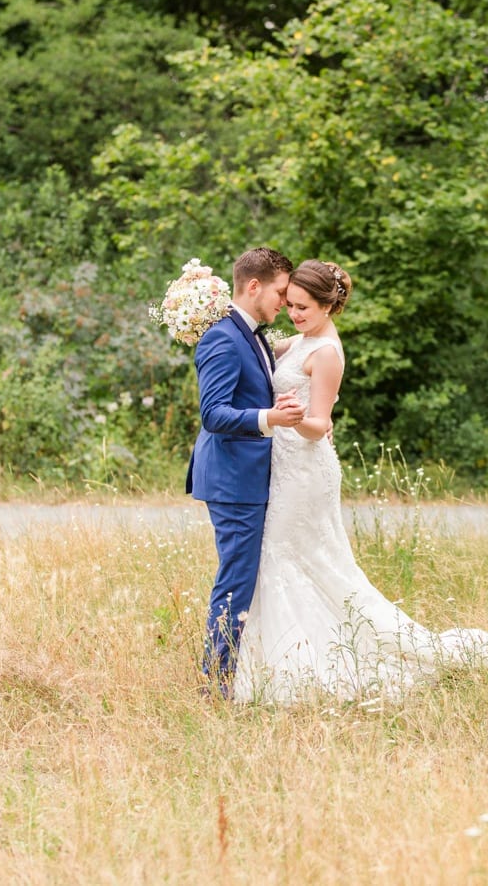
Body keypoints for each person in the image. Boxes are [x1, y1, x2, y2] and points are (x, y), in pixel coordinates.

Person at [231, 260, 488, 704]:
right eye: (290, 304)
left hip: (305, 467)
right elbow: (254, 345)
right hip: (283, 464)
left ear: (327, 306)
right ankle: (274, 657)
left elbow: (320, 424)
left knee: (287, 558)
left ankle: (298, 663)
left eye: (302, 307)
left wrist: (293, 419)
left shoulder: (327, 353)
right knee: (289, 559)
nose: (293, 313)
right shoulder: (300, 340)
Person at [187, 247, 305, 695]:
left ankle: (234, 672)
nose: (284, 302)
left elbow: (264, 366)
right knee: (236, 579)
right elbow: (213, 414)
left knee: (243, 576)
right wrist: (271, 418)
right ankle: (214, 682)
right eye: (280, 292)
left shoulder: (250, 333)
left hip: (248, 476)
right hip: (232, 480)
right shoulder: (221, 337)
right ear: (253, 286)